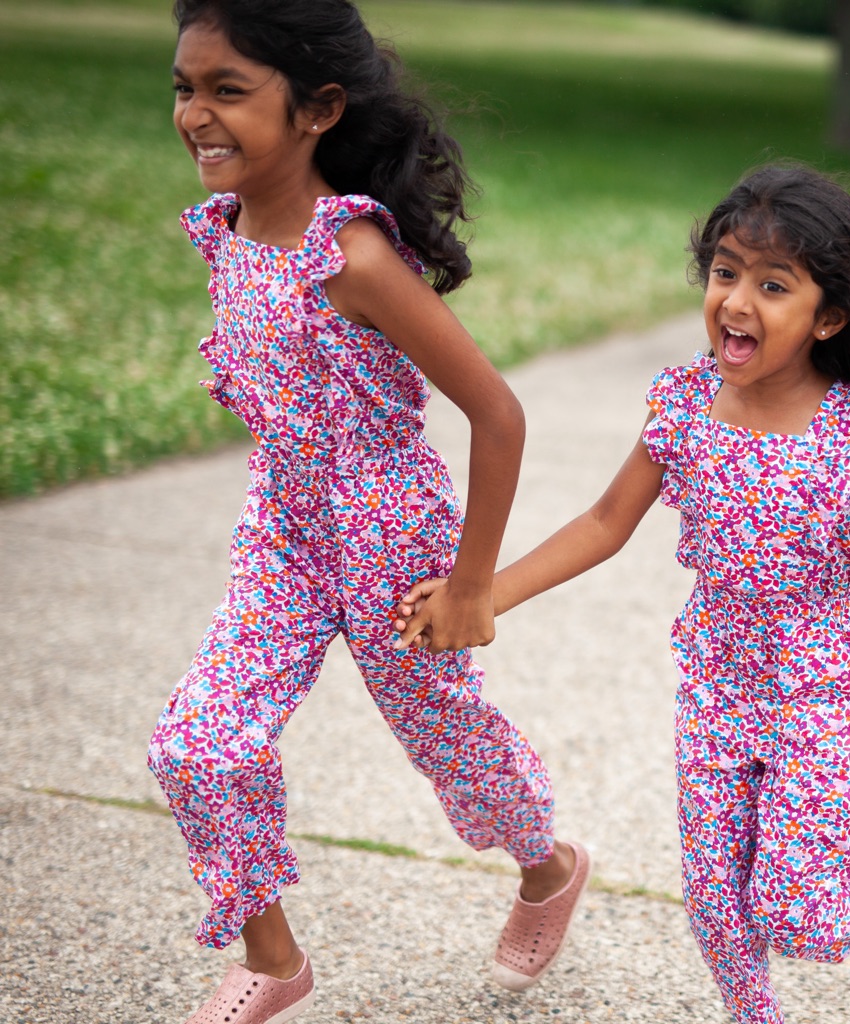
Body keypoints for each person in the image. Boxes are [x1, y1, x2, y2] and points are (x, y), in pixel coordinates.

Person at [395, 164, 850, 1024]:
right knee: (714, 902)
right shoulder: (683, 405)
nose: (737, 301)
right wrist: (485, 596)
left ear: (829, 317)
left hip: (813, 692)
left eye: (774, 286)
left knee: (803, 915)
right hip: (713, 685)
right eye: (726, 273)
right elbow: (604, 521)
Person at [146, 3, 587, 1021]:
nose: (196, 114)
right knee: (198, 743)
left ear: (319, 108)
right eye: (184, 87)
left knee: (453, 743)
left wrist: (475, 581)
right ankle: (272, 959)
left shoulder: (354, 257)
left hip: (393, 539)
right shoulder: (225, 231)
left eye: (227, 90)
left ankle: (548, 864)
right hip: (285, 533)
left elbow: (497, 413)